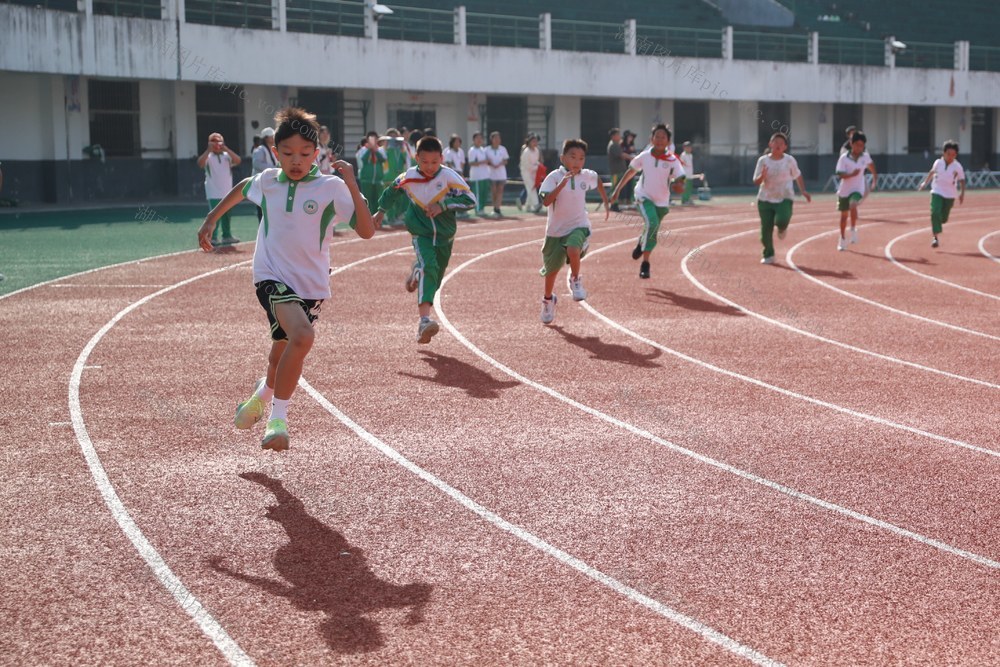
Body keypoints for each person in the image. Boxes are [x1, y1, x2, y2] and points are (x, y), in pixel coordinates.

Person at [197, 107, 374, 451]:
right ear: (275, 153)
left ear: (318, 153)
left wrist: (352, 184)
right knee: (303, 336)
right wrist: (211, 218)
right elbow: (242, 187)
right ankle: (278, 421)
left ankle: (259, 399)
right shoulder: (267, 181)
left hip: (311, 286)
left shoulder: (332, 187)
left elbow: (367, 231)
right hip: (270, 276)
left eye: (306, 154)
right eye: (289, 154)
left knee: (280, 356)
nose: (297, 161)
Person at [373, 136, 476, 344]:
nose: (429, 167)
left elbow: (470, 200)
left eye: (434, 162)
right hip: (421, 233)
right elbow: (391, 192)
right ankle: (424, 322)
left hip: (445, 236)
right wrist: (380, 212)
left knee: (434, 280)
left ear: (441, 158)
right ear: (416, 158)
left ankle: (416, 273)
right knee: (429, 266)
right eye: (424, 162)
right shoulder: (409, 177)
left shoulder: (449, 177)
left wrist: (443, 205)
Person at [537, 139, 609, 324]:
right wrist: (562, 183)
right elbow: (545, 202)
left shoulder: (586, 175)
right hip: (555, 231)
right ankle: (548, 299)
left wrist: (607, 203)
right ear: (563, 158)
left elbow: (598, 181)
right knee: (551, 273)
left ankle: (576, 280)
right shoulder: (553, 177)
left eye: (581, 158)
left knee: (573, 249)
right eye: (573, 157)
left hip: (579, 225)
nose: (577, 161)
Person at [608, 124, 686, 279]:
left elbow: (680, 180)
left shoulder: (672, 160)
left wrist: (679, 187)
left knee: (651, 227)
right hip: (643, 197)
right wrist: (617, 190)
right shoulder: (645, 156)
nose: (659, 140)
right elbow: (630, 172)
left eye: (663, 137)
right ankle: (645, 263)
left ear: (668, 141)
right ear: (651, 139)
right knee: (652, 223)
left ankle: (640, 243)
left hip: (662, 202)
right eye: (656, 136)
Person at [752, 132, 812, 265]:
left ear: (785, 147)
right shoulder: (763, 161)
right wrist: (762, 176)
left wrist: (803, 191)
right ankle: (769, 254)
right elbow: (756, 181)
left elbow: (797, 175)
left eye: (781, 143)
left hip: (785, 197)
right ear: (770, 144)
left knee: (782, 220)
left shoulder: (789, 160)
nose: (778, 145)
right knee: (765, 230)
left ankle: (782, 228)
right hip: (765, 199)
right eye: (775, 142)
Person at [917, 140, 965, 248]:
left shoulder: (957, 166)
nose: (950, 157)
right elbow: (931, 172)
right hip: (937, 191)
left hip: (950, 194)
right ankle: (935, 237)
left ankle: (939, 222)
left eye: (953, 155)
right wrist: (924, 183)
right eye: (948, 154)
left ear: (956, 155)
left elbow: (962, 180)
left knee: (943, 218)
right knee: (935, 212)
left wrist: (962, 194)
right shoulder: (938, 163)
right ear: (943, 153)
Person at [197, 132, 242, 246]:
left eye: (219, 141)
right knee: (215, 215)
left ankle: (227, 235)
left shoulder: (227, 156)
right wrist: (208, 150)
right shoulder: (208, 157)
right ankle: (213, 237)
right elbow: (200, 163)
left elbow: (238, 160)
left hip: (227, 191)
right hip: (213, 192)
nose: (217, 144)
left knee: (227, 214)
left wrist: (226, 148)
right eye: (214, 141)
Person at [834, 131, 877, 250]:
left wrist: (874, 180)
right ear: (851, 144)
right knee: (843, 216)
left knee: (853, 204)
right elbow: (840, 174)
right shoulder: (844, 158)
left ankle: (853, 229)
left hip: (858, 188)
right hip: (844, 190)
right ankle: (842, 239)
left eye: (862, 145)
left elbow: (872, 168)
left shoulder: (865, 157)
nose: (859, 148)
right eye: (857, 144)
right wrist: (851, 174)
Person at [355, 131, 387, 215]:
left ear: (377, 139)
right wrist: (369, 150)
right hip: (366, 179)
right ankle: (367, 218)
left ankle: (377, 219)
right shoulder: (362, 150)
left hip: (378, 179)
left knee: (378, 200)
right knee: (367, 200)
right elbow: (363, 160)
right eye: (370, 139)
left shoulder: (380, 150)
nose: (373, 140)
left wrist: (375, 151)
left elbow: (383, 159)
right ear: (367, 140)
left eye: (374, 138)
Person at [250, 127, 278, 223]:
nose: (274, 138)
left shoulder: (272, 149)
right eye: (272, 136)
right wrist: (274, 168)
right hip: (261, 183)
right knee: (262, 209)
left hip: (269, 182)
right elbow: (257, 164)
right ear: (266, 138)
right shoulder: (260, 150)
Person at [486, 131, 509, 217]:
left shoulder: (503, 149)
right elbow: (486, 160)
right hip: (491, 173)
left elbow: (505, 160)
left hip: (501, 173)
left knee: (500, 190)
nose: (497, 140)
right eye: (495, 138)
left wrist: (499, 164)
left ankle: (497, 208)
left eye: (498, 138)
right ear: (491, 139)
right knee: (494, 191)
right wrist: (491, 164)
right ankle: (494, 207)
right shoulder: (487, 149)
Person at [466, 132, 490, 216]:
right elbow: (471, 163)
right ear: (473, 140)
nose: (479, 140)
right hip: (477, 176)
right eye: (477, 138)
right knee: (478, 193)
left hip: (485, 175)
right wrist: (482, 162)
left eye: (481, 138)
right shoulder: (472, 150)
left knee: (484, 193)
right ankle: (478, 209)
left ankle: (482, 208)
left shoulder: (483, 149)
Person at [519, 134, 541, 213]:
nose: (535, 143)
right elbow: (526, 165)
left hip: (533, 172)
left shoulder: (536, 150)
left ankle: (527, 206)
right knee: (532, 187)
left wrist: (539, 166)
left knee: (530, 188)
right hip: (526, 172)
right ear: (529, 142)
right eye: (533, 141)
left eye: (536, 141)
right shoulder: (526, 151)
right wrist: (536, 167)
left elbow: (536, 161)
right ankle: (536, 204)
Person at [679, 141, 704, 206]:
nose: (689, 149)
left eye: (690, 147)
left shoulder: (690, 155)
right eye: (687, 147)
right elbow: (681, 165)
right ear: (684, 148)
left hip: (690, 175)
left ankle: (688, 199)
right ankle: (684, 201)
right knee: (685, 188)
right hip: (684, 175)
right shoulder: (683, 155)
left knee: (689, 188)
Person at [607, 128, 626, 212]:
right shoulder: (613, 145)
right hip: (615, 171)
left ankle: (615, 204)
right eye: (618, 135)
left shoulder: (616, 144)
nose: (619, 136)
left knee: (616, 188)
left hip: (618, 171)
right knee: (614, 188)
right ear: (613, 136)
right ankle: (613, 205)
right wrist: (631, 157)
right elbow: (621, 155)